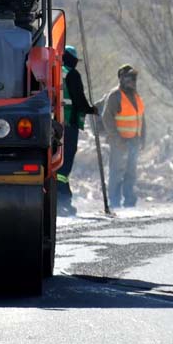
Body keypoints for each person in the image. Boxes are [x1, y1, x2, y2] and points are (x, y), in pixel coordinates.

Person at [57, 45, 96, 216]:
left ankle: (60, 198)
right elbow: (79, 100)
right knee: (64, 164)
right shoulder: (72, 74)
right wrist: (91, 109)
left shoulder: (53, 70)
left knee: (55, 161)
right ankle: (62, 198)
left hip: (53, 125)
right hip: (69, 124)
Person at [99, 64, 145, 209]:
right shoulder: (115, 96)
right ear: (121, 78)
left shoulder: (136, 96)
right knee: (116, 172)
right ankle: (114, 202)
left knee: (131, 172)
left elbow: (141, 118)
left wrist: (143, 137)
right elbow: (107, 118)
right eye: (129, 77)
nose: (132, 80)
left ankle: (130, 201)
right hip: (119, 142)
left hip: (134, 140)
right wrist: (117, 139)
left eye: (134, 77)